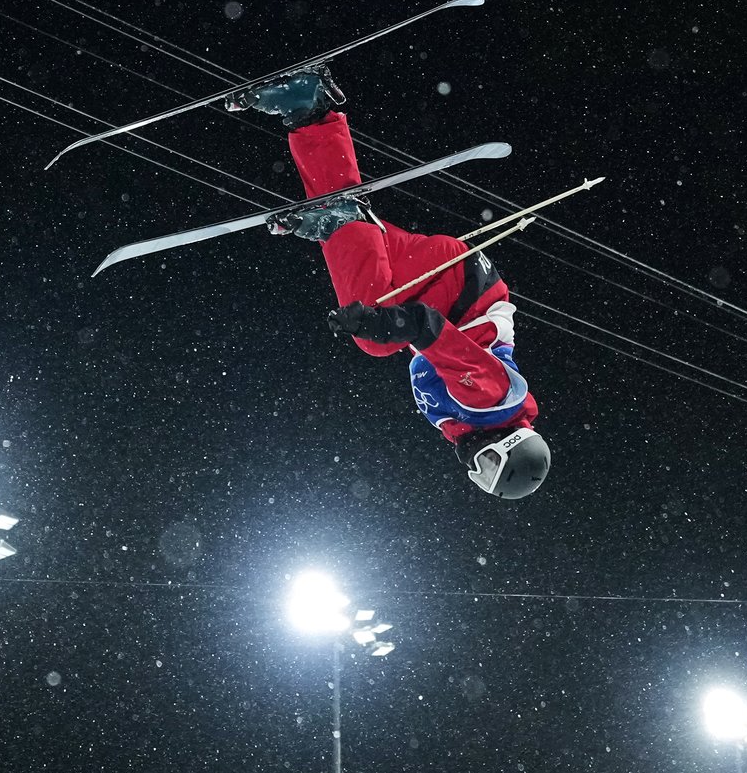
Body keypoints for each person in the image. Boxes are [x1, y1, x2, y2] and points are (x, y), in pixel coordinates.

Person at [226, 67, 552, 498]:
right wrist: (387, 326)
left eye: (480, 474)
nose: (475, 464)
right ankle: (340, 221)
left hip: (443, 277)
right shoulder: (493, 401)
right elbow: (428, 328)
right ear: (509, 443)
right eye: (490, 463)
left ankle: (309, 109)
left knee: (348, 224)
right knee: (374, 338)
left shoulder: (469, 419)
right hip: (451, 286)